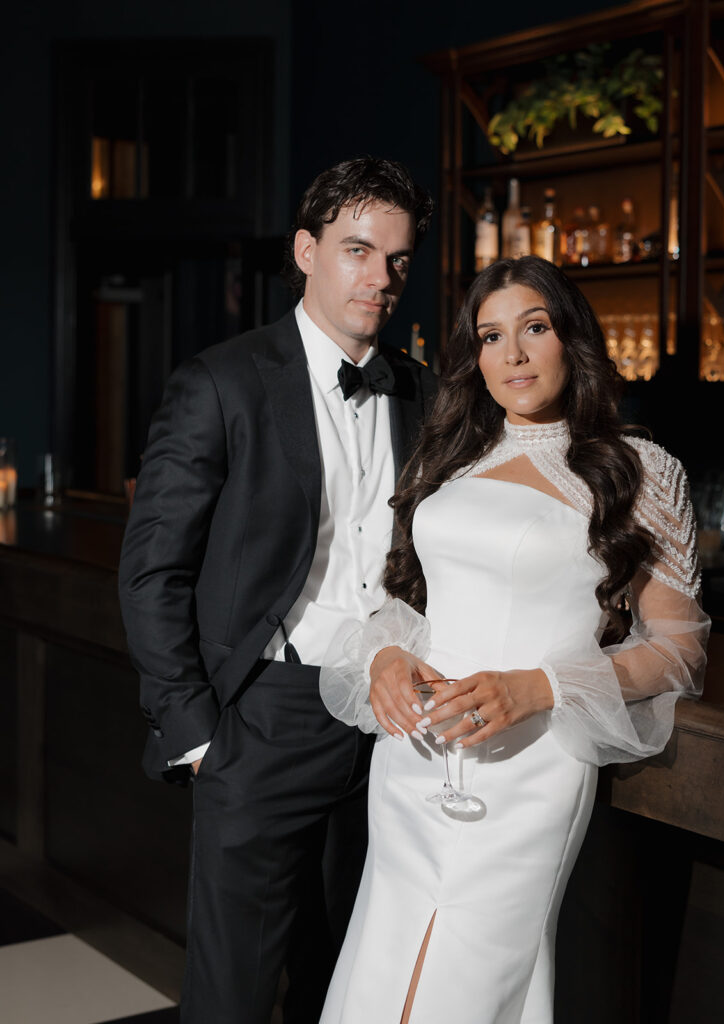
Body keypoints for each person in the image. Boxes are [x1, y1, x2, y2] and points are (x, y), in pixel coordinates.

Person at [318, 255, 709, 1024]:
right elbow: (409, 599)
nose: (514, 355)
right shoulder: (451, 455)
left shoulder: (639, 470)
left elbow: (679, 648)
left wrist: (538, 687)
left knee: (471, 984)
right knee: (382, 961)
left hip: (530, 761)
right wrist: (385, 654)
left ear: (571, 339)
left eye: (533, 328)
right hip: (416, 752)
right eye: (491, 337)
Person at [118, 156, 437, 1024]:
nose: (379, 278)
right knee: (233, 995)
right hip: (263, 720)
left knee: (347, 982)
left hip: (388, 733)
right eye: (357, 250)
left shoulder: (422, 388)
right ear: (305, 250)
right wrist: (196, 735)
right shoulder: (221, 380)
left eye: (397, 259)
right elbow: (152, 570)